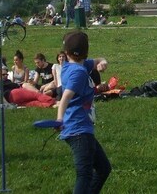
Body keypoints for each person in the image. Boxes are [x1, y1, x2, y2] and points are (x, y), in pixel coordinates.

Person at [57, 31, 112, 193]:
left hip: (83, 129)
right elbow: (65, 98)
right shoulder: (78, 72)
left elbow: (97, 61)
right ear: (85, 51)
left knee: (103, 168)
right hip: (78, 130)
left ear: (66, 53)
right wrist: (59, 119)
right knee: (84, 175)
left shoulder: (74, 65)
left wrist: (103, 62)